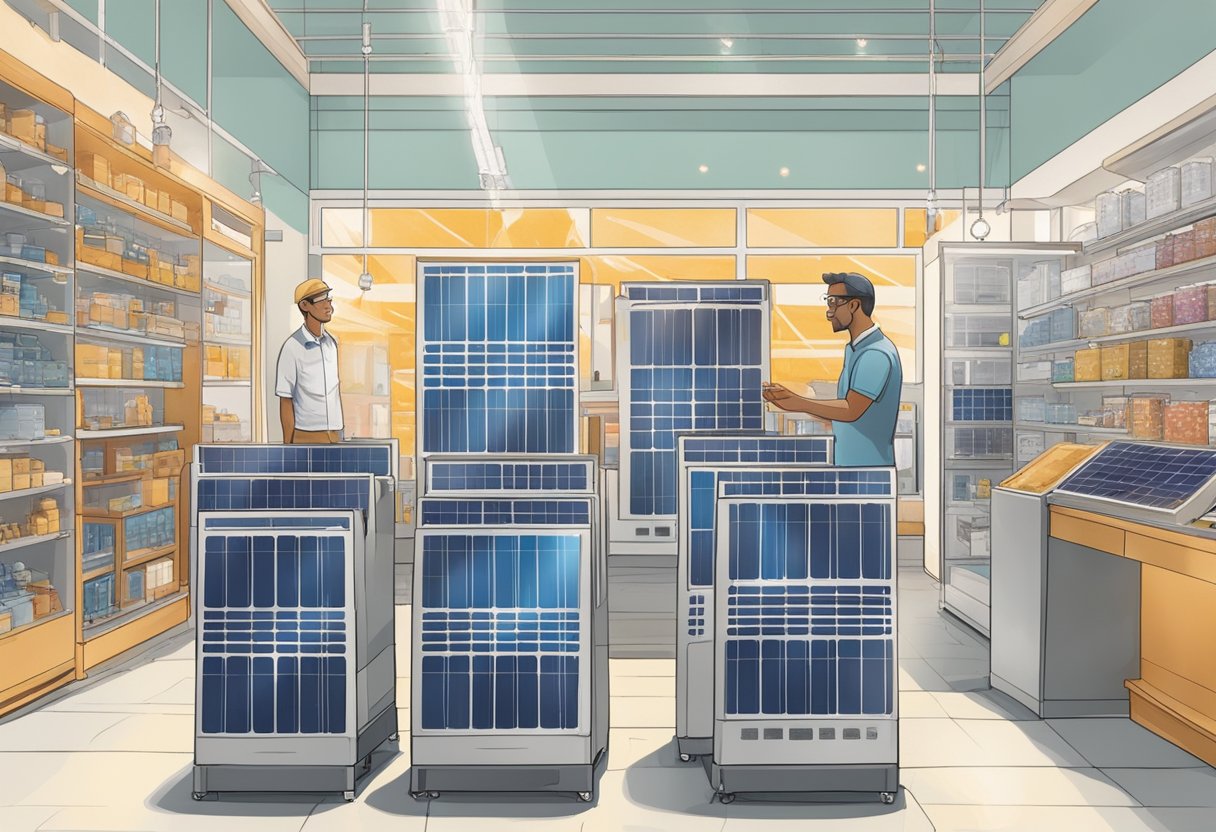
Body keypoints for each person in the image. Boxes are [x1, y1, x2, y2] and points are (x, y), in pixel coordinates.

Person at [763, 271, 903, 467]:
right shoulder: (855, 349)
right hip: (851, 466)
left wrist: (799, 403)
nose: (829, 312)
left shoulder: (876, 354)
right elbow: (843, 414)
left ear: (854, 305)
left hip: (868, 470)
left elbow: (851, 410)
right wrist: (790, 401)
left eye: (833, 303)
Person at [276, 278, 344, 444]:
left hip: (335, 434)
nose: (329, 306)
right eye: (321, 301)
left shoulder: (332, 343)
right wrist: (288, 446)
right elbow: (286, 399)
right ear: (305, 306)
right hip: (306, 435)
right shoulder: (292, 348)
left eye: (329, 299)